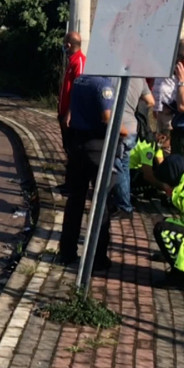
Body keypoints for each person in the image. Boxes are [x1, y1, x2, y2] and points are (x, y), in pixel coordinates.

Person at [58, 74, 125, 270]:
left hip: (77, 145)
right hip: (97, 146)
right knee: (100, 202)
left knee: (75, 200)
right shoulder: (103, 85)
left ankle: (67, 251)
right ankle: (98, 258)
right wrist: (124, 131)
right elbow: (106, 117)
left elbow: (69, 114)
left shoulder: (81, 80)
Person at [109, 78, 155, 218]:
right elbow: (151, 101)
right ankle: (123, 201)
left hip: (118, 127)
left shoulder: (112, 76)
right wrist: (134, 108)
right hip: (132, 128)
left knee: (118, 167)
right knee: (123, 165)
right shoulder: (140, 79)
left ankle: (124, 205)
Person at [56, 31, 86, 194]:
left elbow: (78, 89)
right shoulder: (71, 61)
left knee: (74, 151)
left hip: (71, 116)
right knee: (68, 149)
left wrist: (69, 113)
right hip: (64, 112)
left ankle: (74, 185)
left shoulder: (79, 61)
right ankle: (68, 183)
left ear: (69, 45)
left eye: (65, 43)